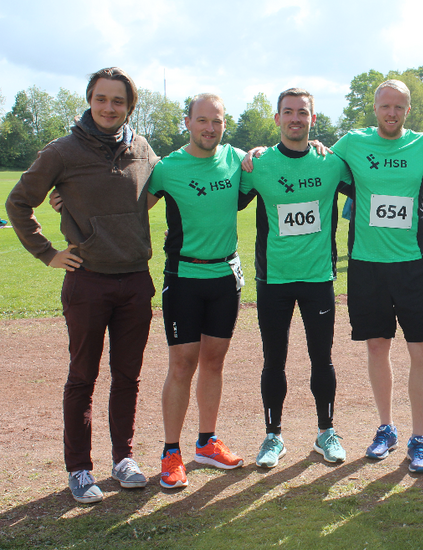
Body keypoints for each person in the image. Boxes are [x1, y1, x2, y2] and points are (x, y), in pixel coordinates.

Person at [5, 67, 158, 503]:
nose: (109, 108)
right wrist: (47, 252)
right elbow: (17, 202)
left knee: (127, 376)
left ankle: (123, 458)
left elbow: (170, 181)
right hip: (87, 282)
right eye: (101, 99)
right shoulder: (63, 151)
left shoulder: (143, 149)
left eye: (118, 101)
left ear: (130, 106)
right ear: (89, 100)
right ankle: (79, 469)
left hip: (134, 281)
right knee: (82, 378)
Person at [330, 80, 423, 473]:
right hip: (367, 266)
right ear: (375, 107)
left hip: (412, 265)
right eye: (385, 106)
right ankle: (386, 428)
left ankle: (419, 437)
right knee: (377, 347)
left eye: (399, 107)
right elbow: (316, 165)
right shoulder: (352, 142)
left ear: (408, 110)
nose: (391, 113)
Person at [239, 88, 352, 468]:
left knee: (323, 358)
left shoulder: (331, 162)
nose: (295, 119)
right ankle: (273, 436)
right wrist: (247, 154)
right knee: (275, 360)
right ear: (277, 119)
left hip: (319, 278)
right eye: (288, 112)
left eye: (302, 113)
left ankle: (326, 432)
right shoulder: (259, 165)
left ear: (313, 120)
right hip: (274, 281)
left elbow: (376, 185)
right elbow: (224, 196)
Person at [148, 94, 247, 489]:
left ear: (224, 124)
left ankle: (206, 443)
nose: (209, 128)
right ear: (187, 122)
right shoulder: (167, 168)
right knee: (182, 364)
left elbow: (274, 168)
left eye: (217, 121)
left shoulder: (238, 159)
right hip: (184, 277)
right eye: (202, 120)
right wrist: (70, 201)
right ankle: (171, 453)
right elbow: (129, 204)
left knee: (215, 361)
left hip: (225, 278)